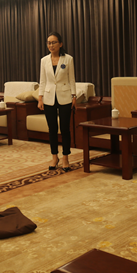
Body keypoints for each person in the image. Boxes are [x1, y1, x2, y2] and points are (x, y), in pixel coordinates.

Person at [38, 32, 76, 172]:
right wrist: (40, 98)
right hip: (49, 97)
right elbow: (42, 80)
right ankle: (55, 157)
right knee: (52, 129)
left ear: (60, 44)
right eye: (49, 43)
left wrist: (74, 96)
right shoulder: (44, 60)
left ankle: (65, 157)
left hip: (65, 96)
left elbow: (72, 79)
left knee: (65, 129)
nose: (51, 45)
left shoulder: (68, 59)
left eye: (54, 42)